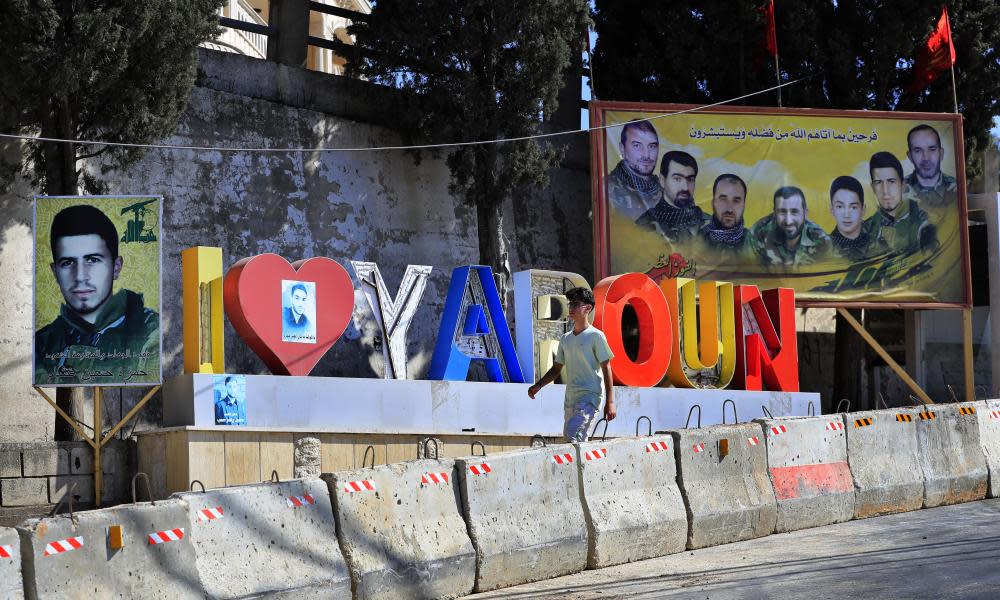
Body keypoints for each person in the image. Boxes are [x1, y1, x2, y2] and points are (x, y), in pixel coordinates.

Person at [34, 204, 159, 384]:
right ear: (55, 272)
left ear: (116, 267)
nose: (80, 276)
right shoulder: (41, 345)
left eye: (93, 260)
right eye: (68, 262)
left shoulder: (152, 332)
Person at [527, 287, 615, 442]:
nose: (571, 308)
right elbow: (556, 369)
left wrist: (610, 402)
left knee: (573, 436)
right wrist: (539, 385)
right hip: (571, 400)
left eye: (576, 304)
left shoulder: (596, 336)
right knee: (572, 441)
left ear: (588, 308)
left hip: (590, 398)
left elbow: (606, 367)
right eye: (570, 304)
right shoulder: (566, 339)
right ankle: (585, 467)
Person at [865, 151, 938, 254]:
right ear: (873, 188)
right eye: (878, 183)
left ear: (903, 186)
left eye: (891, 182)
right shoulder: (869, 227)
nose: (885, 190)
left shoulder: (924, 223)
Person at [749, 186, 831, 266]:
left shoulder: (821, 241)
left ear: (805, 213)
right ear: (774, 213)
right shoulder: (757, 233)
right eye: (782, 212)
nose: (788, 221)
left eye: (794, 212)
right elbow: (747, 269)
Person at [636, 151, 706, 243]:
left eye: (690, 179)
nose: (685, 187)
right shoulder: (643, 226)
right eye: (677, 179)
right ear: (662, 180)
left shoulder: (709, 225)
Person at [607, 120, 662, 221]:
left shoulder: (665, 190)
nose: (646, 155)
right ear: (622, 149)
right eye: (637, 146)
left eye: (652, 146)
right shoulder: (607, 189)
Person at [904, 124, 957, 208]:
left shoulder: (957, 187)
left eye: (932, 149)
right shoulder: (899, 189)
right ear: (910, 156)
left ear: (941, 153)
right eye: (918, 150)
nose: (926, 158)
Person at [700, 173, 751, 255]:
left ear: (744, 205)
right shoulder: (695, 239)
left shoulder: (755, 244)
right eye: (723, 199)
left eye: (736, 201)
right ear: (713, 202)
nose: (729, 209)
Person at [827, 175, 872, 261]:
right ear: (832, 209)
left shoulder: (876, 239)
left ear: (863, 210)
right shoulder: (825, 249)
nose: (846, 215)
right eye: (840, 207)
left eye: (853, 207)